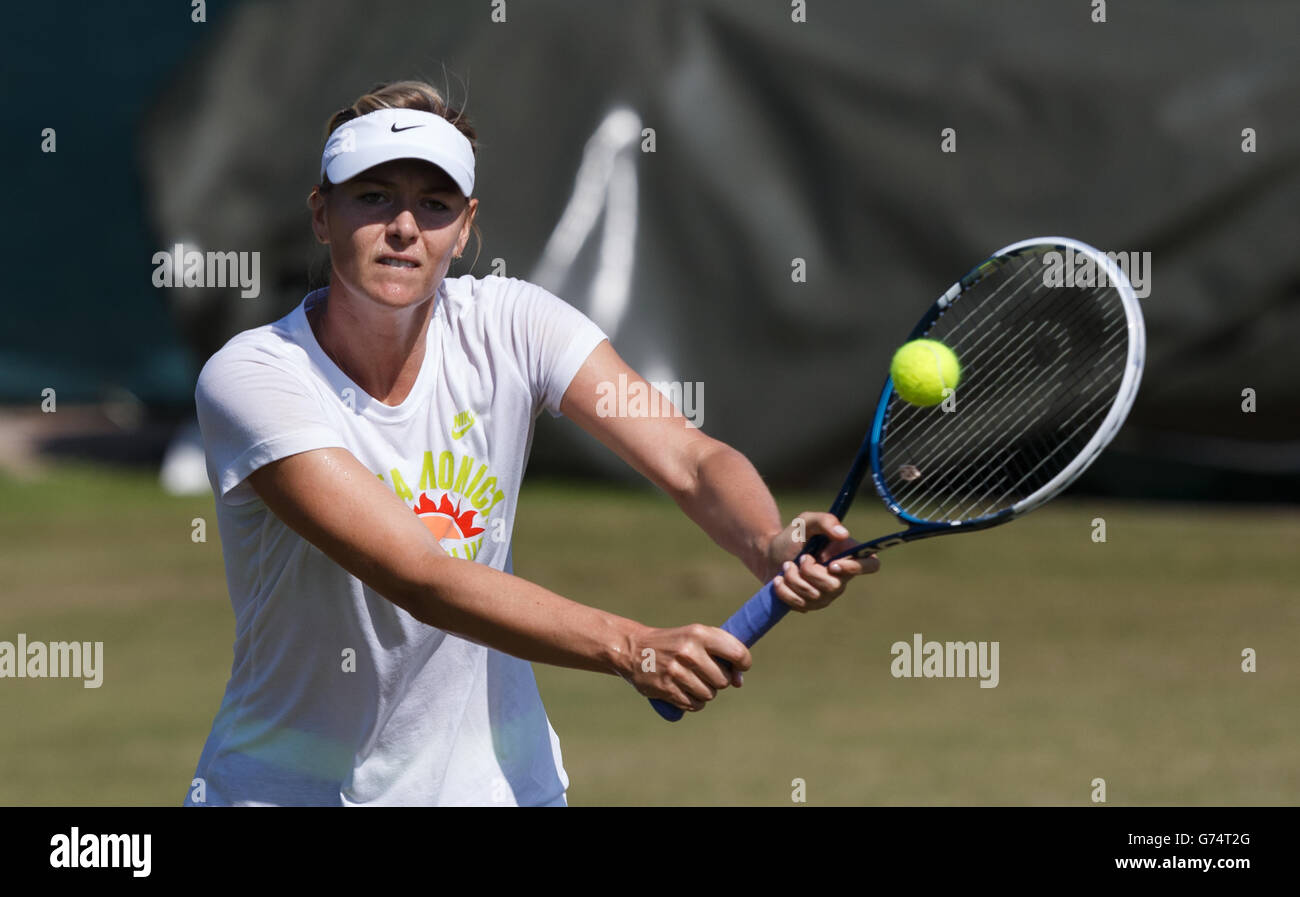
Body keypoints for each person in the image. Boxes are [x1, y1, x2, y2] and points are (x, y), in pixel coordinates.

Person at [184, 80, 879, 807]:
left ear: (465, 224)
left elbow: (690, 457)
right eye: (374, 196)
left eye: (435, 204)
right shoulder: (254, 378)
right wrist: (630, 645)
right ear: (322, 215)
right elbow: (420, 575)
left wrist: (768, 541)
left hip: (501, 789)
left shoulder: (513, 323)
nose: (404, 227)